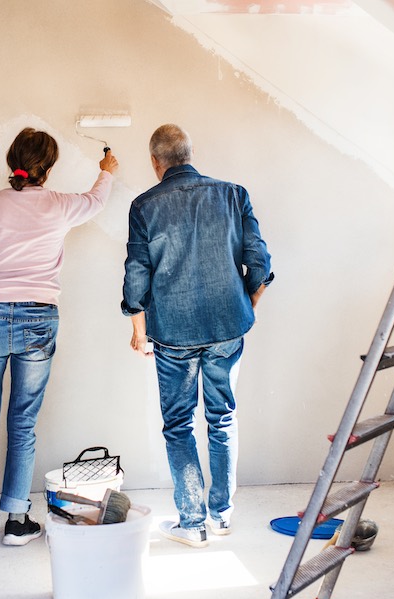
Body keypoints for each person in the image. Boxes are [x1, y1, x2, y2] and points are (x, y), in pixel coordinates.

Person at [0, 127, 119, 546]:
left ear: (12, 161)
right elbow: (95, 201)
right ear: (50, 167)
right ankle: (17, 520)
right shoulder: (59, 206)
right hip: (38, 319)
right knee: (22, 421)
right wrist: (106, 171)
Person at [121, 124, 272, 548]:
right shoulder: (232, 194)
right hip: (227, 326)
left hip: (174, 332)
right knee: (222, 419)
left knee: (178, 425)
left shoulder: (144, 206)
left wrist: (138, 330)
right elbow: (258, 258)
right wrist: (249, 302)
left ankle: (193, 523)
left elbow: (137, 272)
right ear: (189, 154)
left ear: (155, 163)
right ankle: (221, 516)